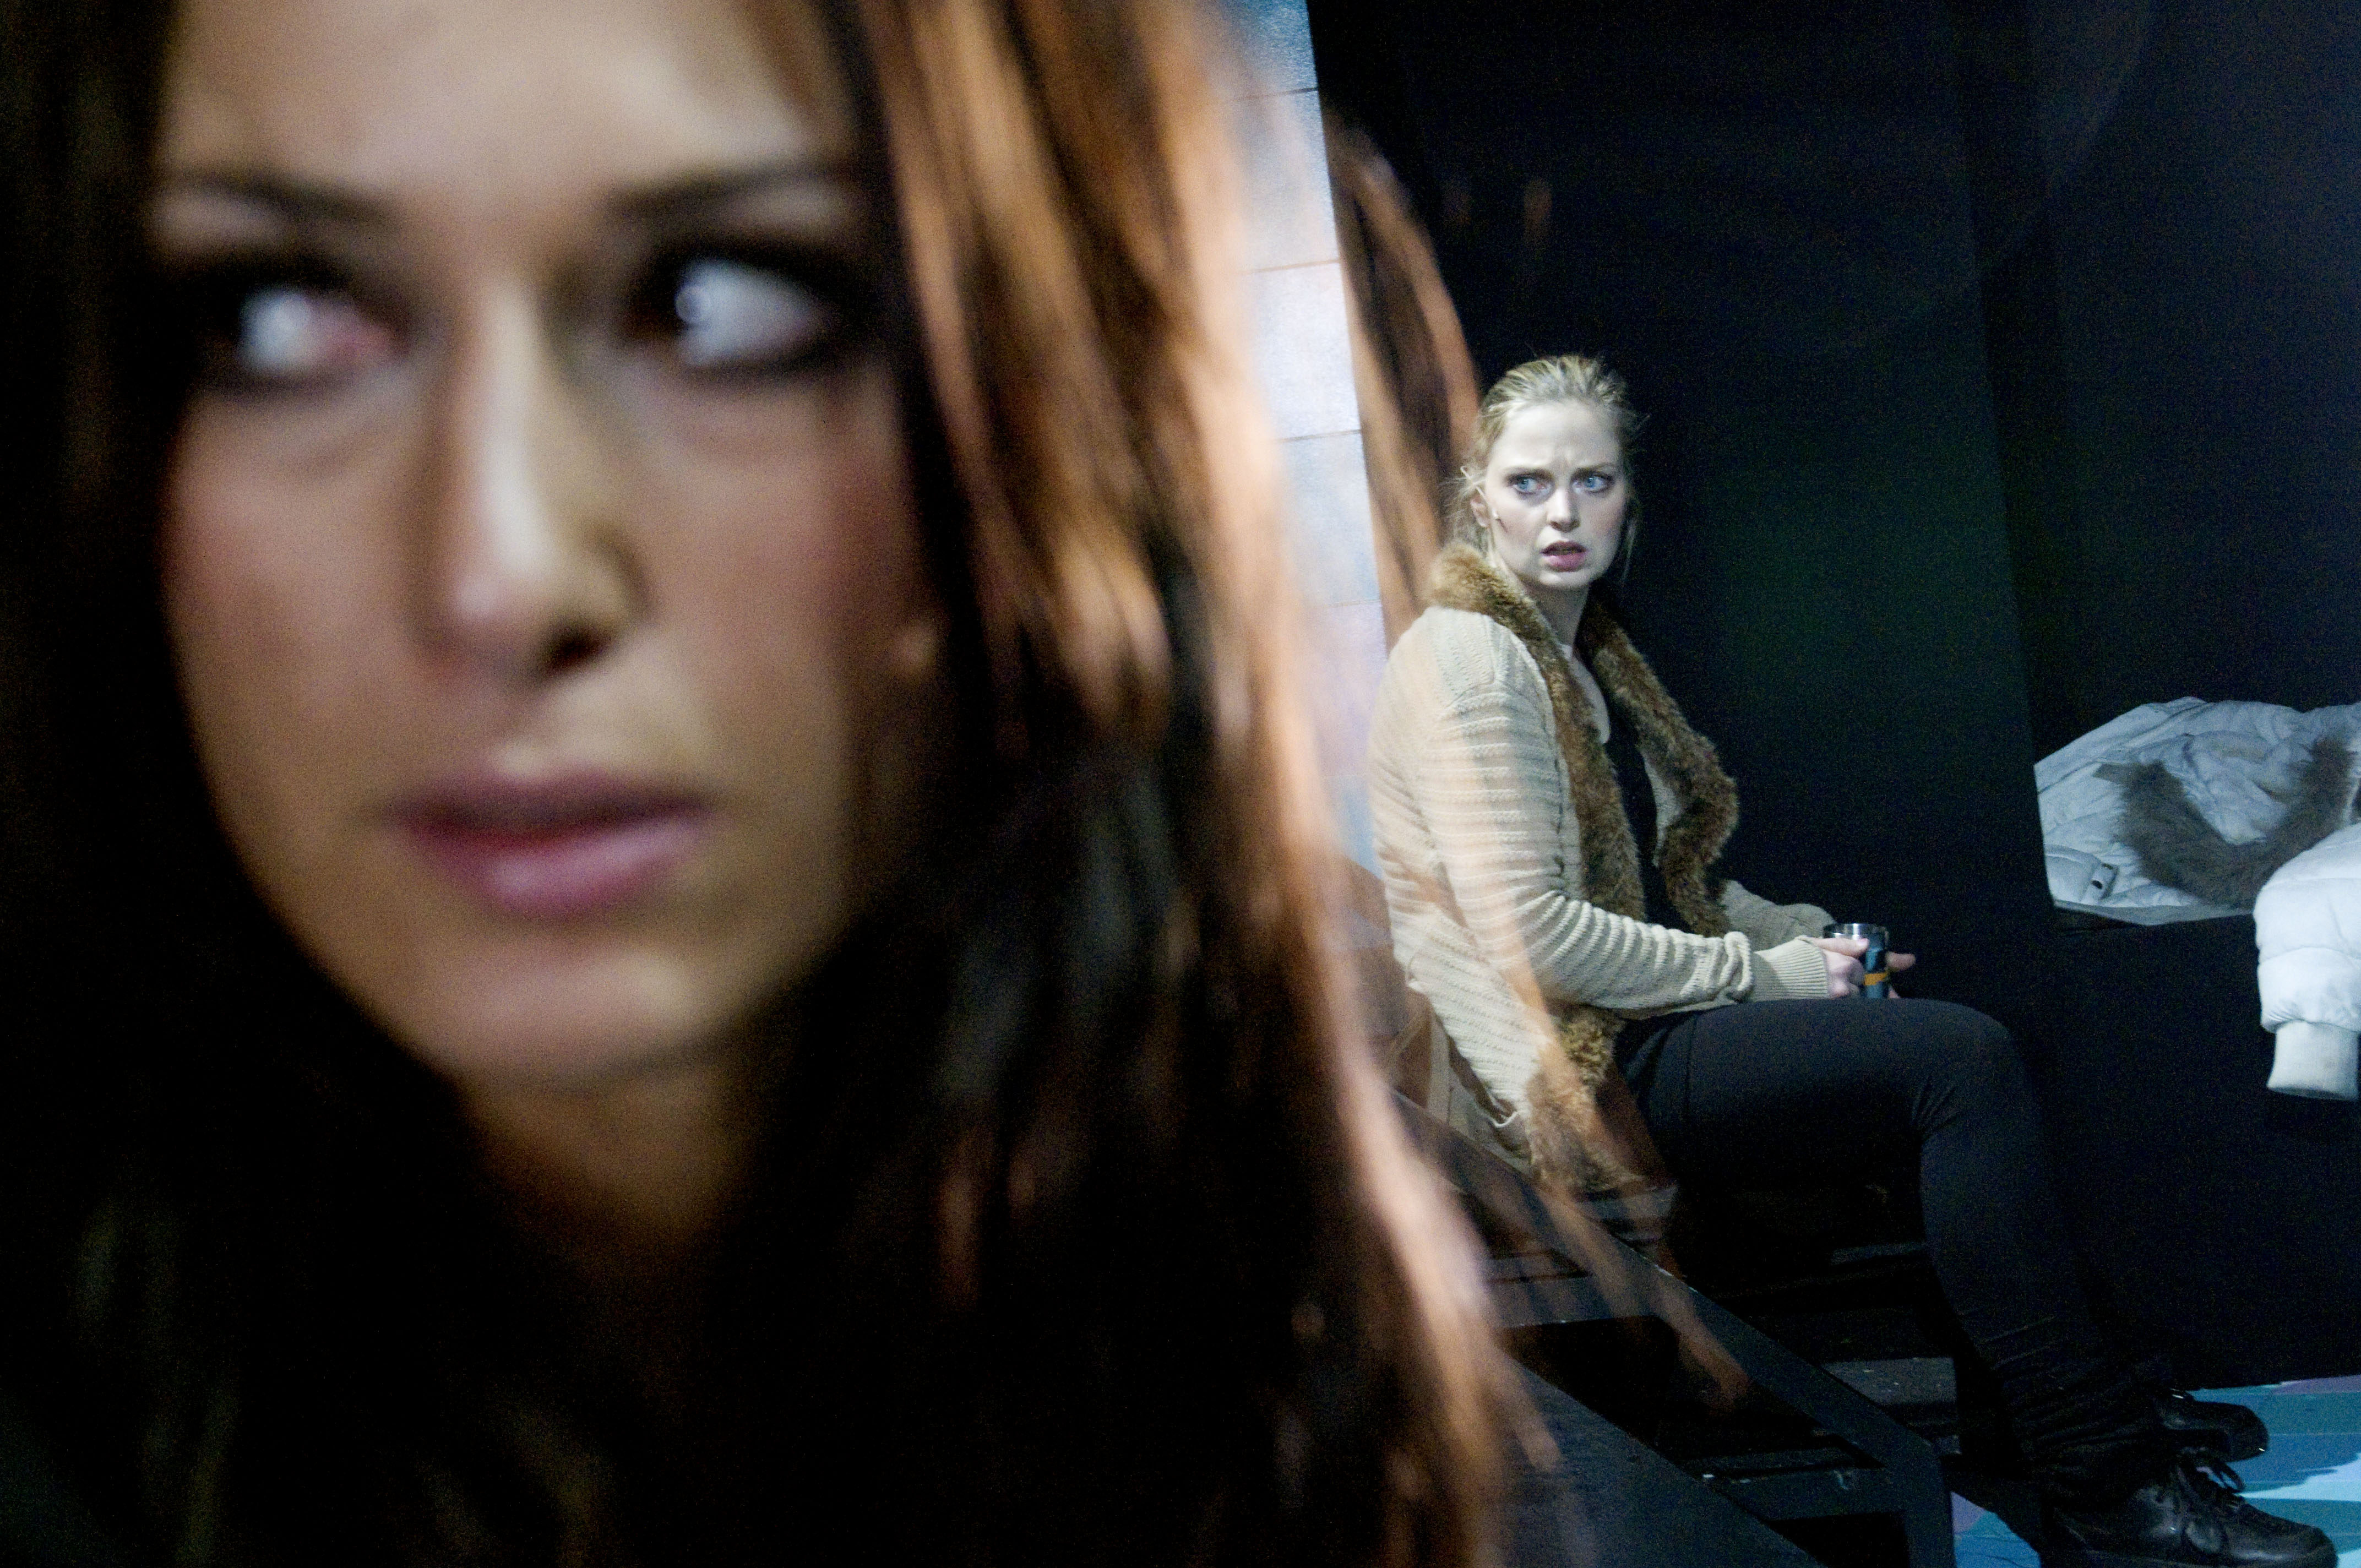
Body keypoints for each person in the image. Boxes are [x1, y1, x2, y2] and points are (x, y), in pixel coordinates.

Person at [0, 1, 1508, 1562]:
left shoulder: (1277, 1346)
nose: (500, 577)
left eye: (718, 307)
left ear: (1059, 412)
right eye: (280, 318)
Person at [1366, 353, 2333, 1568]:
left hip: (1624, 1027)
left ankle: (2085, 1419)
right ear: (1478, 501)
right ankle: (2106, 1480)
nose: (1562, 513)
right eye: (1528, 484)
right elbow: (1535, 939)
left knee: (1954, 1030)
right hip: (1558, 1071)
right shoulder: (1470, 659)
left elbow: (1673, 888)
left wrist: (1805, 935)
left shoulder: (1581, 655)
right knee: (1954, 1062)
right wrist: (1766, 976)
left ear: (1626, 500)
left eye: (1591, 481)